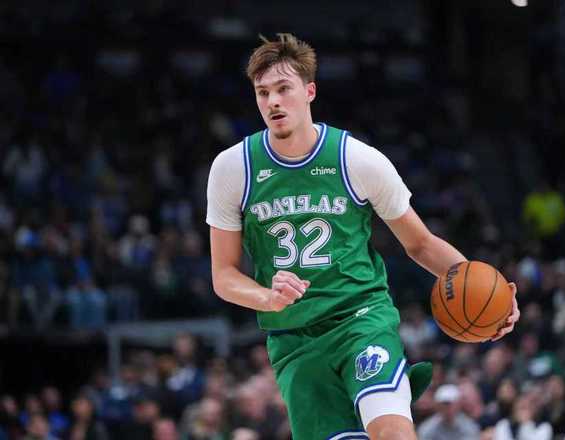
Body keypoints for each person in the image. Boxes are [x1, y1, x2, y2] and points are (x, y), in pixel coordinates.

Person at [206, 33, 520, 439]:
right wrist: (267, 297)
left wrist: (487, 290)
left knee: (393, 433)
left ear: (309, 91)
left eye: (284, 89)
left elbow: (420, 243)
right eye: (263, 92)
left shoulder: (356, 158)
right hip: (293, 339)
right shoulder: (233, 168)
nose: (273, 102)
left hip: (361, 318)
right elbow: (223, 276)